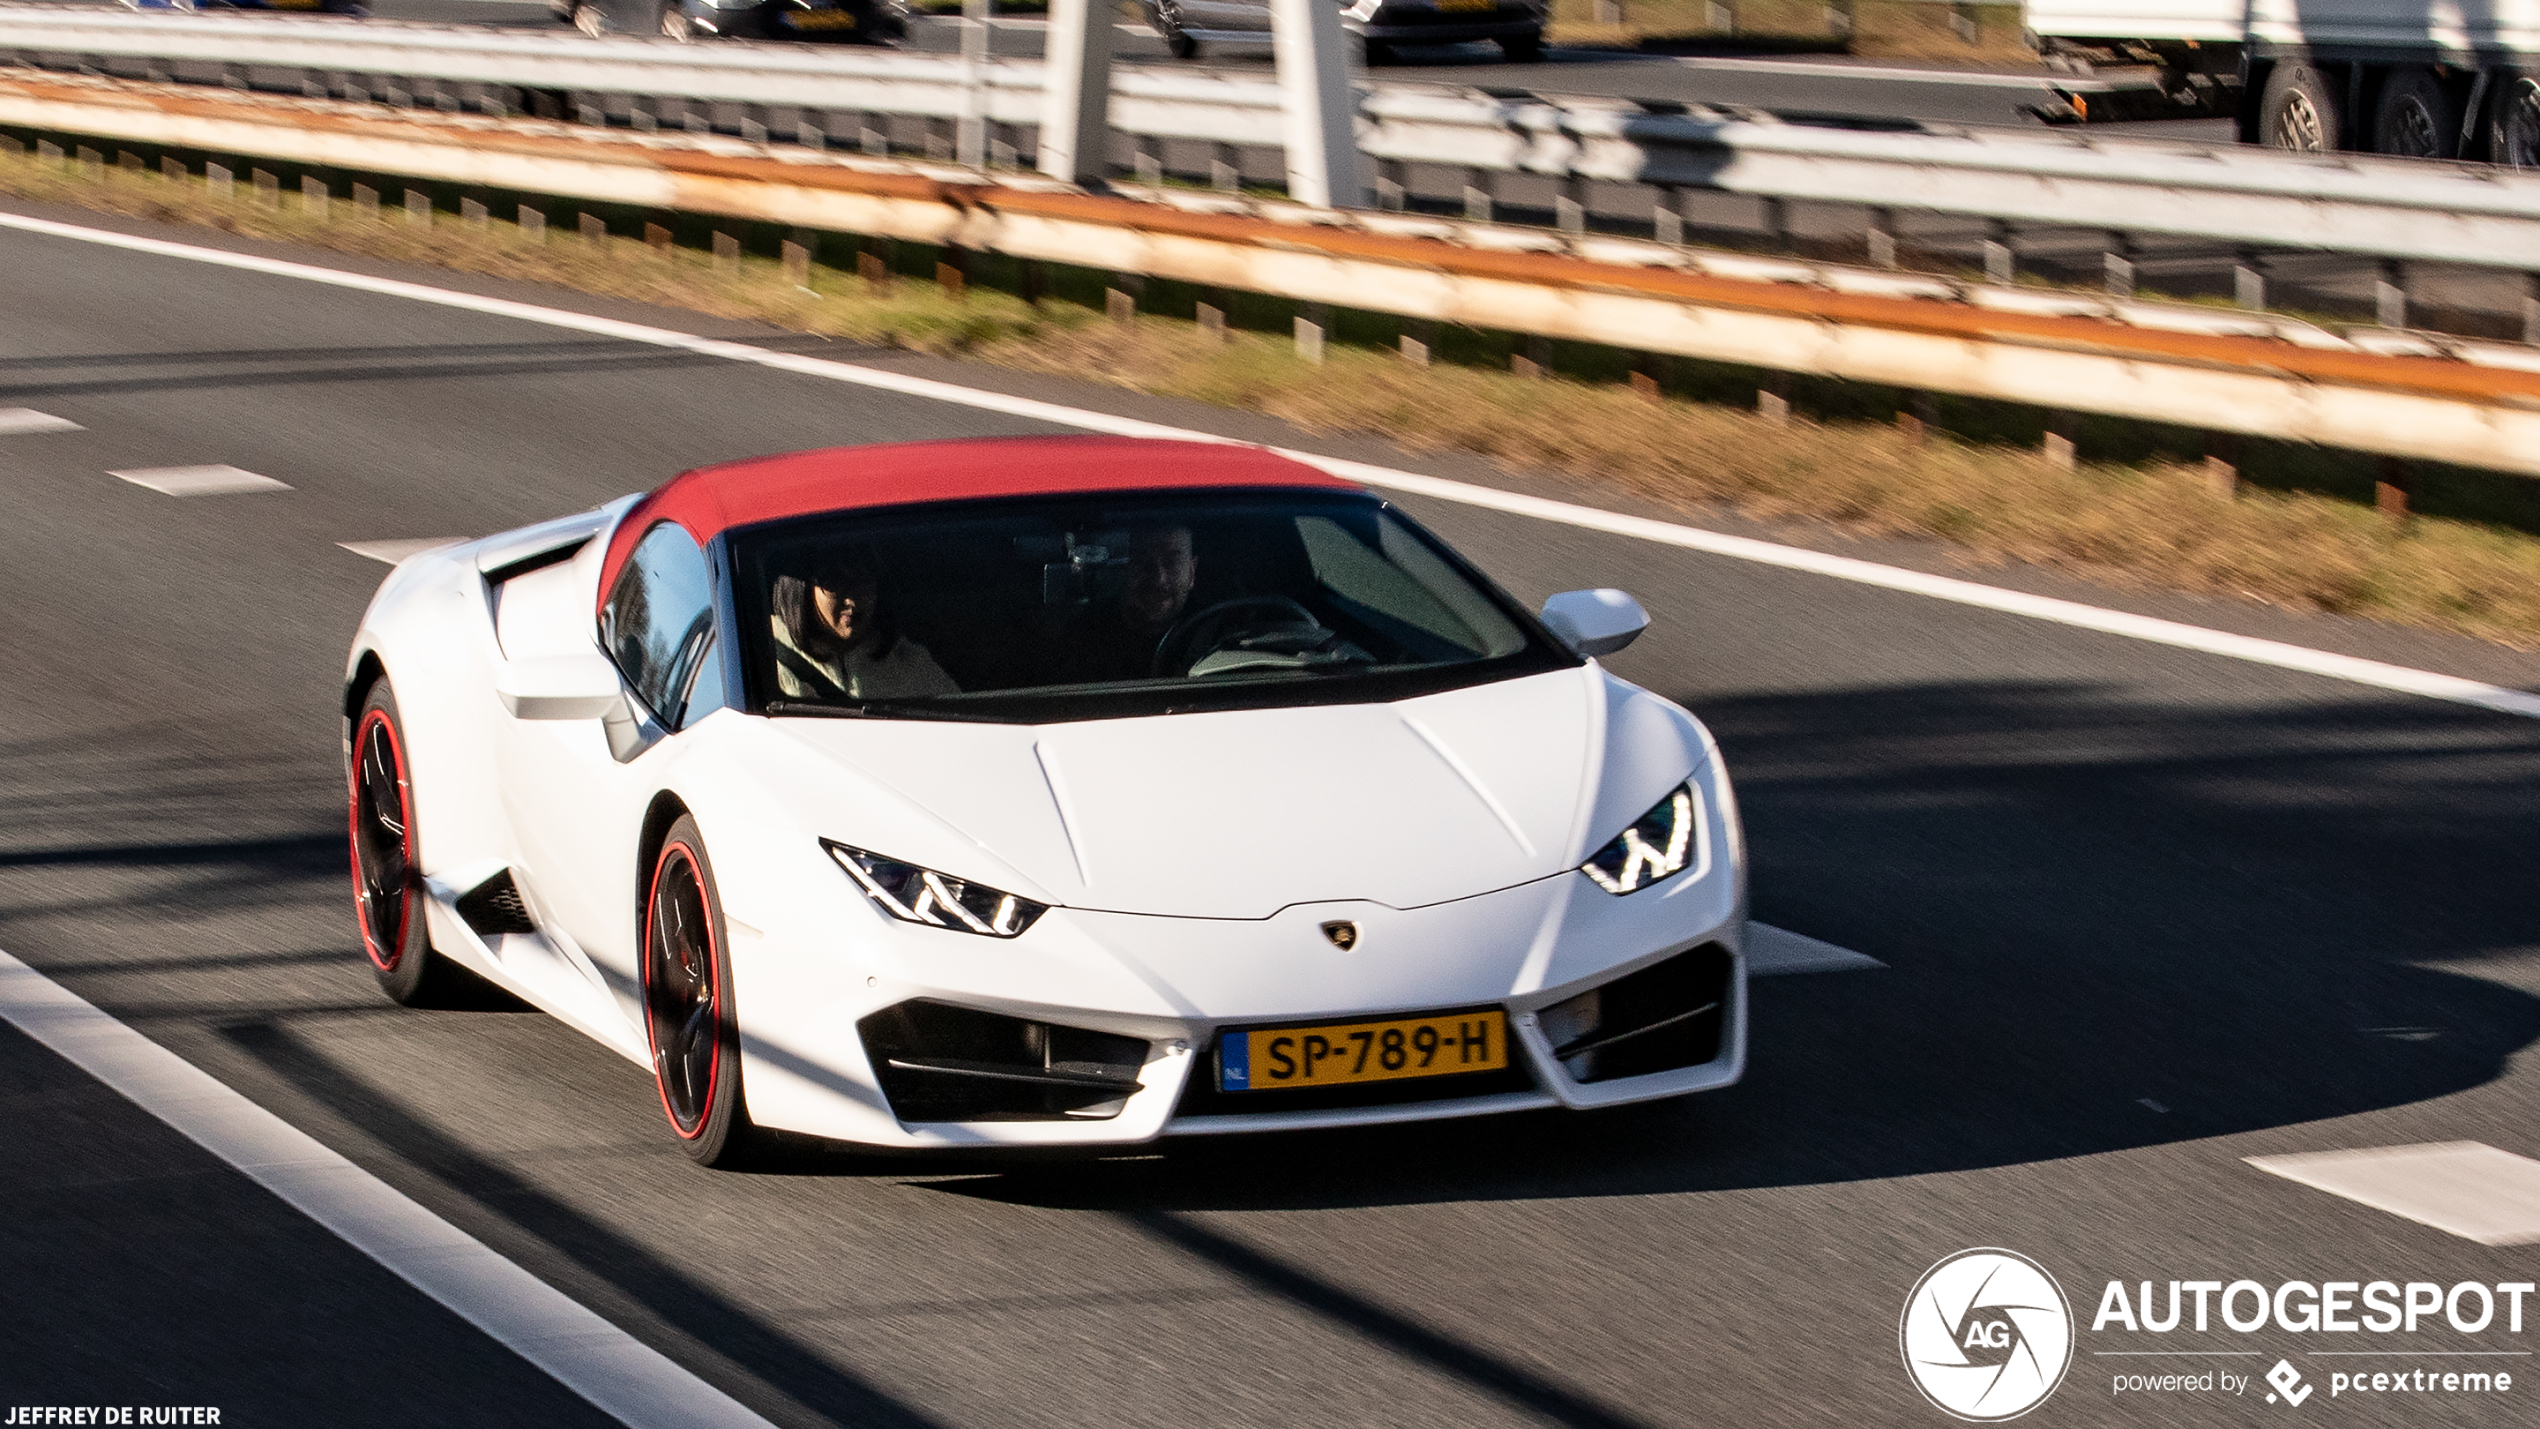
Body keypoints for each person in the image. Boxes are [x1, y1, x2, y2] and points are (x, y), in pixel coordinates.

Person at [768, 554, 958, 701]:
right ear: (801, 590)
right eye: (834, 582)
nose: (851, 600)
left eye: (863, 580)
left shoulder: (909, 663)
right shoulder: (765, 663)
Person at [1053, 525, 1199, 682]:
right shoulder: (1083, 638)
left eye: (1172, 562)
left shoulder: (1217, 634)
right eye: (1142, 560)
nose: (1158, 578)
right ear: (1123, 568)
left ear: (1191, 572)